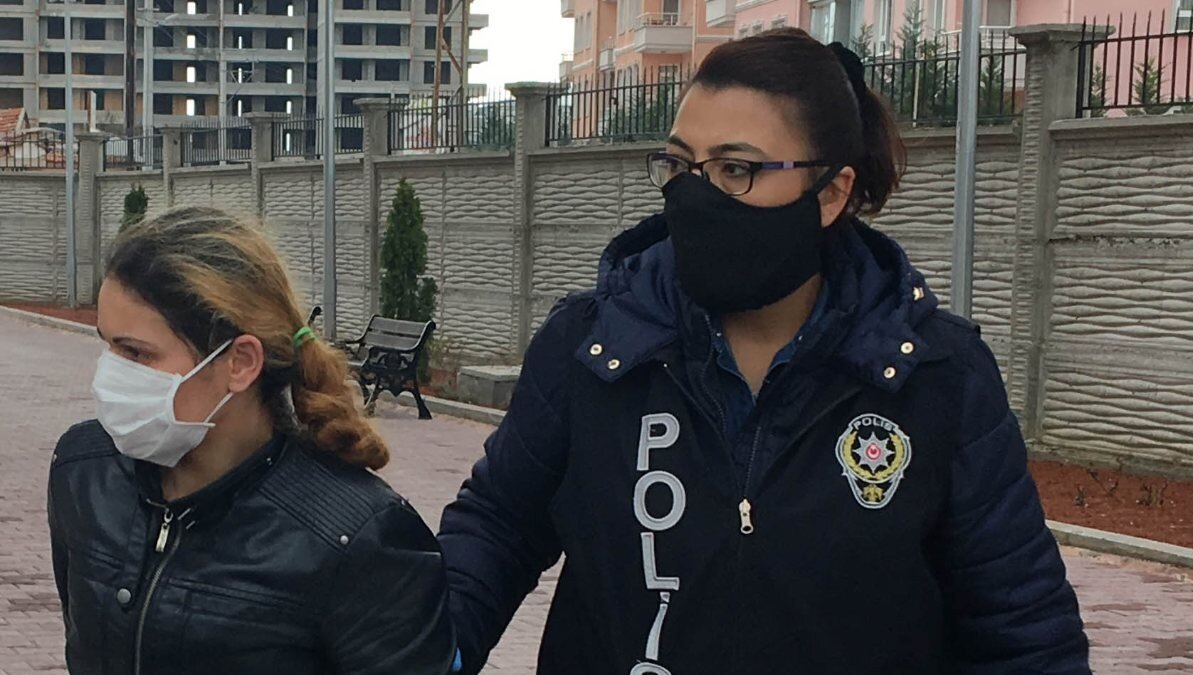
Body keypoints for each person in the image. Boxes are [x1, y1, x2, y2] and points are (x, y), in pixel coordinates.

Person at [439, 28, 1090, 674]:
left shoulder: (938, 377)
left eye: (736, 169)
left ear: (831, 192)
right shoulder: (590, 345)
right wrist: (423, 642)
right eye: (680, 165)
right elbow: (497, 528)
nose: (694, 195)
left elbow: (1025, 634)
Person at [47, 207, 457, 675]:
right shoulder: (84, 471)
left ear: (240, 363)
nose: (110, 374)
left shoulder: (361, 540)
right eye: (108, 345)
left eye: (136, 353)